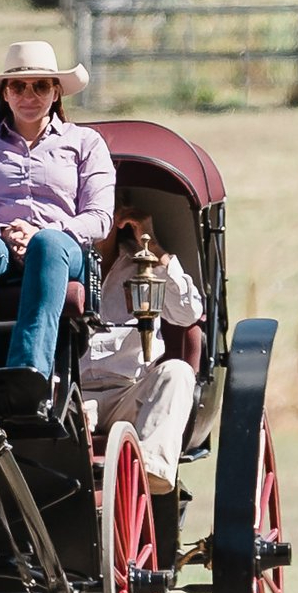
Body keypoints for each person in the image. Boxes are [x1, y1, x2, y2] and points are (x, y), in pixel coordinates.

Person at [0, 40, 115, 377]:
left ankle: (29, 374)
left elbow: (100, 218)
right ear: (5, 94)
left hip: (62, 249)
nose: (29, 95)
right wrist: (4, 232)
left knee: (47, 245)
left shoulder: (85, 142)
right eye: (18, 86)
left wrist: (44, 232)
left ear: (56, 93)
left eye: (41, 86)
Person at [81, 205, 206, 494]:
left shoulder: (144, 262)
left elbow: (188, 314)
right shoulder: (59, 260)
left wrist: (157, 249)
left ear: (119, 218)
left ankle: (151, 472)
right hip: (73, 395)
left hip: (129, 393)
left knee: (177, 372)